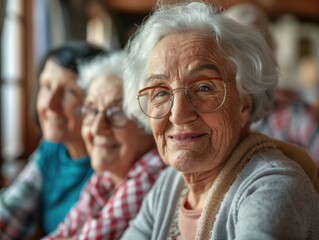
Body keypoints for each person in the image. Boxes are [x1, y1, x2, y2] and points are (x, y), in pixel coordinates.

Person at [121, 2, 319, 239]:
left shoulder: (274, 187)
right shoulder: (170, 184)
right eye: (161, 92)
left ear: (245, 102)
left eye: (204, 87)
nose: (178, 113)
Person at [43, 51, 166, 239]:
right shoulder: (105, 178)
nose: (98, 128)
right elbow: (61, 234)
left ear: (148, 123)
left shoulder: (153, 170)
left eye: (117, 112)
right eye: (91, 110)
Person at [0, 42, 105, 239]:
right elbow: (10, 211)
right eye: (46, 86)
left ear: (95, 103)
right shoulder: (51, 149)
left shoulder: (109, 161)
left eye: (69, 92)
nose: (49, 104)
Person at [224, 3, 319, 176]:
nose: (247, 63)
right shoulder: (214, 117)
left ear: (272, 53)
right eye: (237, 49)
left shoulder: (297, 116)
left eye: (256, 49)